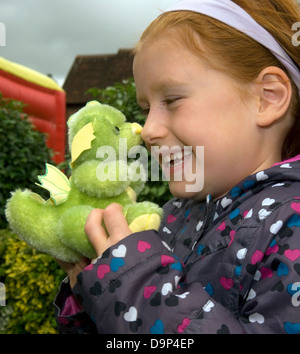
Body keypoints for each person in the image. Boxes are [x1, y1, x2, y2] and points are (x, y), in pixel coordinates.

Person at [54, 0, 300, 334]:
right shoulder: (173, 215)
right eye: (146, 108)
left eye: (171, 100)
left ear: (267, 98)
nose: (148, 129)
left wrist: (133, 282)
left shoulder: (291, 223)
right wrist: (94, 290)